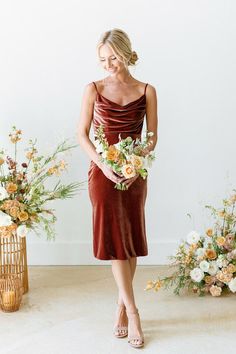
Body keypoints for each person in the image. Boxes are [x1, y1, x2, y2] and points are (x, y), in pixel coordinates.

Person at [77, 28, 158, 349]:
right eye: (102, 59)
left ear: (126, 53)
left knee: (132, 240)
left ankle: (121, 307)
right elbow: (82, 134)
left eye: (113, 57)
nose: (108, 64)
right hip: (103, 174)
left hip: (135, 173)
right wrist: (104, 164)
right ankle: (134, 312)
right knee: (114, 242)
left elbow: (152, 135)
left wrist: (138, 157)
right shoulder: (93, 89)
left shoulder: (147, 90)